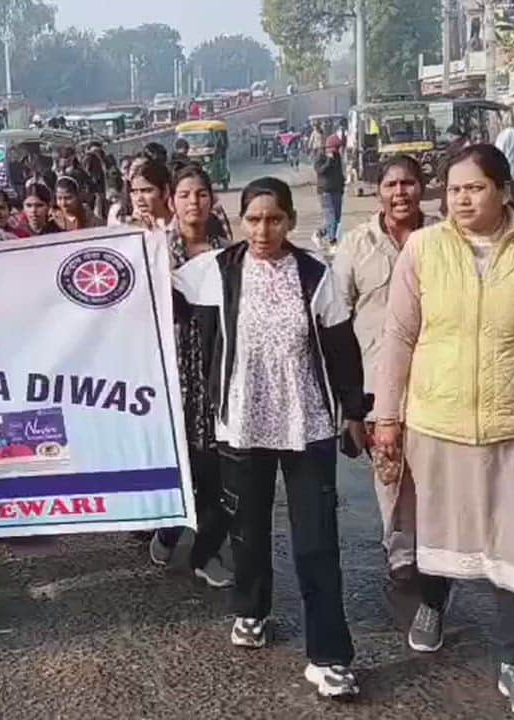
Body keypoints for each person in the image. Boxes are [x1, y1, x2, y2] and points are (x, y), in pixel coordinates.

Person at [372, 145, 514, 717]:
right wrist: (387, 417)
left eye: (473, 188)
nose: (461, 199)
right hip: (438, 421)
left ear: (502, 190)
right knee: (438, 533)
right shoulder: (424, 249)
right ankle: (432, 605)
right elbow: (398, 337)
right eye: (452, 190)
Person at [173, 177, 368, 700]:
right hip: (241, 423)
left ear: (290, 222)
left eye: (274, 219)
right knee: (248, 531)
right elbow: (154, 295)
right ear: (238, 220)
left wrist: (354, 410)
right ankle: (251, 610)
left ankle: (329, 656)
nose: (263, 230)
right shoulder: (216, 271)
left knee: (317, 542)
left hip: (307, 426)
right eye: (253, 219)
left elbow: (342, 347)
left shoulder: (314, 275)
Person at [330, 155, 438, 629]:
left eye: (409, 184)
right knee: (391, 473)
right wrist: (349, 407)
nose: (401, 193)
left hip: (440, 381)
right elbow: (335, 324)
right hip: (378, 387)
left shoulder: (445, 239)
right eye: (392, 184)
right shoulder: (355, 246)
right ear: (378, 192)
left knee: (436, 473)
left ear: (423, 188)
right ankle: (399, 557)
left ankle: (436, 551)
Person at [147, 166, 233, 587]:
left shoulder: (228, 246)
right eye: (185, 195)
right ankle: (169, 525)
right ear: (171, 200)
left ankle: (206, 551)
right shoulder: (158, 248)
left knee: (216, 466)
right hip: (174, 370)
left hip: (218, 365)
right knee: (180, 462)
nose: (193, 202)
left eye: (201, 193)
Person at [314, 135, 346, 247]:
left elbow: (339, 172)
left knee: (337, 218)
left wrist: (342, 186)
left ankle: (320, 233)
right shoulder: (320, 156)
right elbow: (320, 171)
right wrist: (328, 161)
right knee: (331, 217)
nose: (335, 152)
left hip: (337, 190)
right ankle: (332, 241)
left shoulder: (337, 156)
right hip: (325, 191)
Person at [128, 161, 174, 231]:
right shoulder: (132, 228)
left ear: (165, 191)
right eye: (135, 191)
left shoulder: (181, 225)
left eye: (146, 191)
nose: (139, 198)